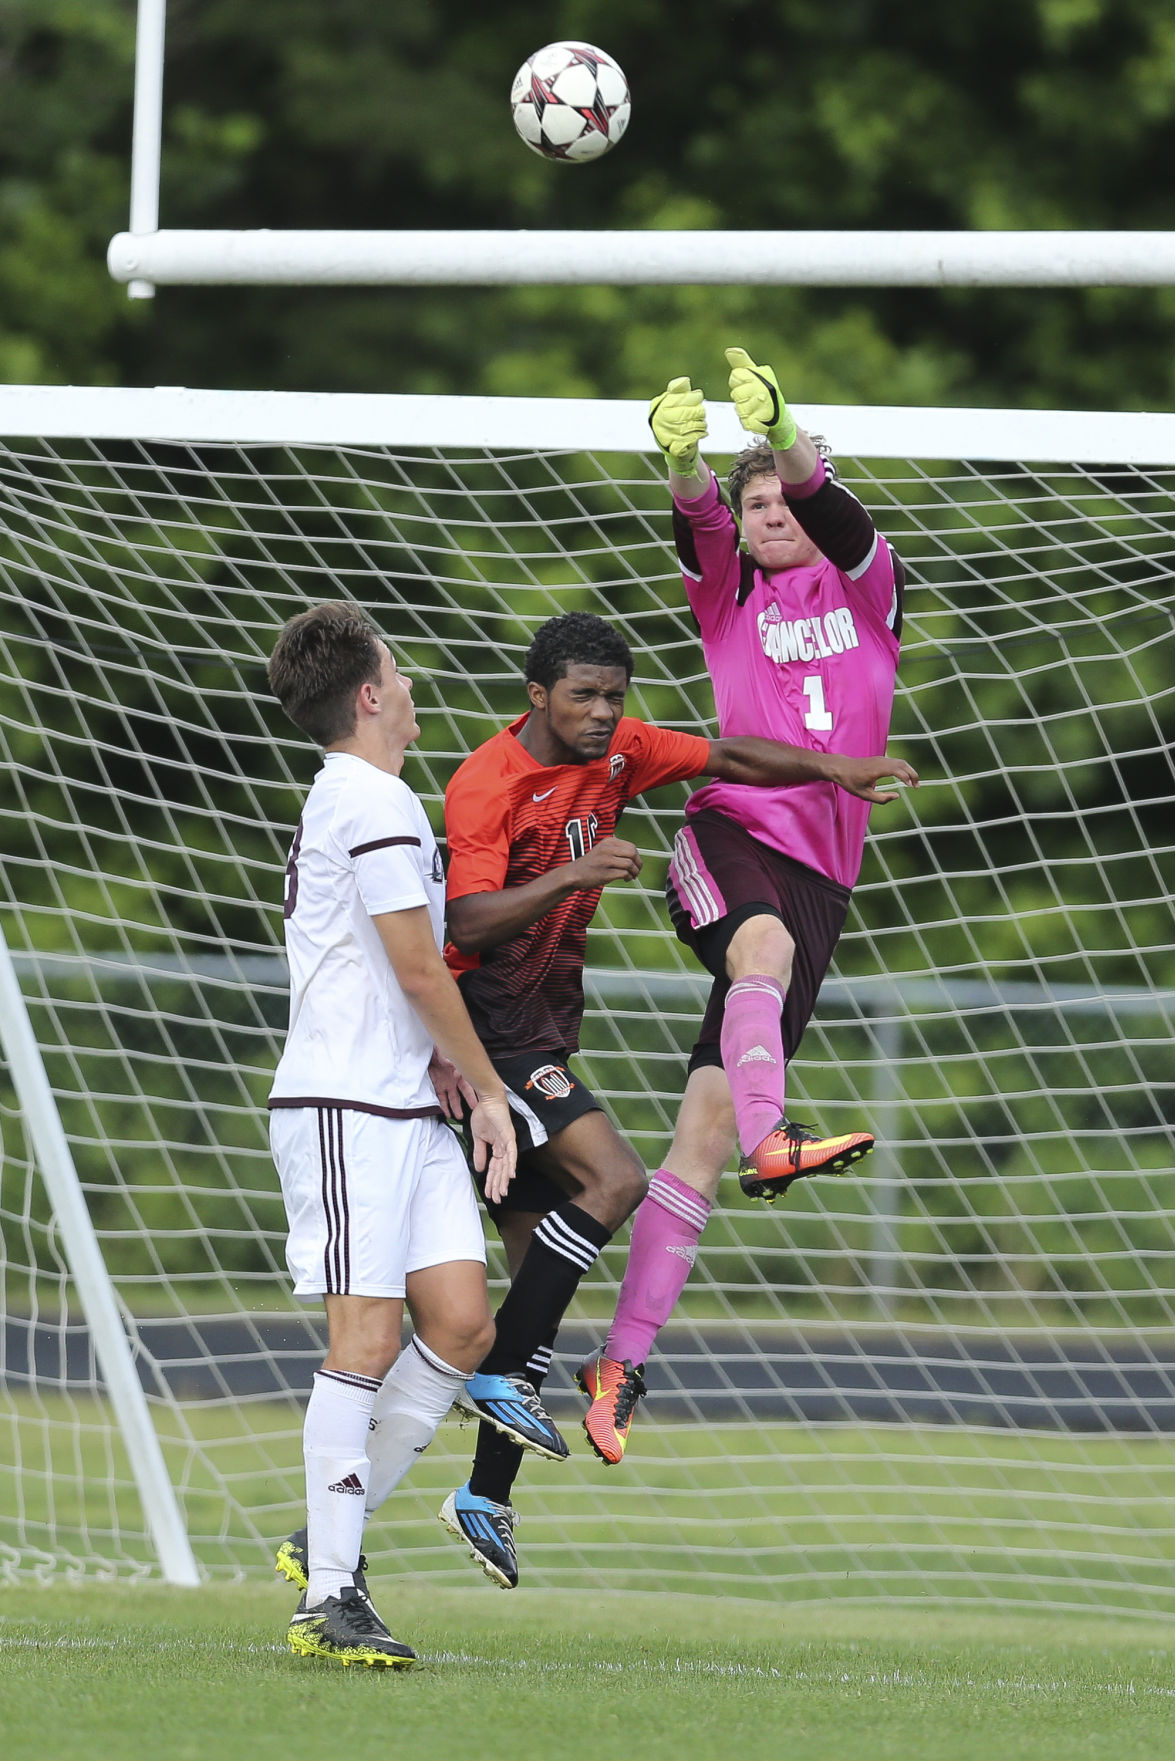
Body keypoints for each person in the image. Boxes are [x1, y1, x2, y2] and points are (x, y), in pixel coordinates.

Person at [438, 608, 914, 1587]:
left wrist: (833, 770)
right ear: (536, 696)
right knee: (614, 1180)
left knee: (530, 1304)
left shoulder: (621, 753)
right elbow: (468, 917)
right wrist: (577, 868)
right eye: (583, 695)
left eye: (615, 696)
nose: (604, 714)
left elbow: (724, 750)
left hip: (539, 1033)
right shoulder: (487, 782)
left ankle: (481, 1495)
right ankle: (478, 1410)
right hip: (485, 1034)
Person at [579, 345, 914, 1469]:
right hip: (729, 839)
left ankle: (618, 1362)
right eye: (751, 498)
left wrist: (793, 437)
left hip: (825, 881)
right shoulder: (728, 602)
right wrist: (685, 465)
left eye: (782, 497)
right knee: (754, 944)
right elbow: (698, 520)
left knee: (701, 1137)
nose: (766, 511)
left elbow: (835, 501)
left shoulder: (871, 597)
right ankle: (781, 1136)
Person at [264, 600, 561, 1668]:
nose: (413, 683)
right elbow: (418, 968)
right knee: (365, 1343)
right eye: (401, 668)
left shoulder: (371, 798)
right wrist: (488, 1089)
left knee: (463, 1326)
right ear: (370, 694)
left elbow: (404, 975)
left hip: (407, 1099)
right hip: (347, 1109)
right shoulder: (372, 801)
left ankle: (323, 1541)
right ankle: (330, 1599)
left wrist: (445, 1072)